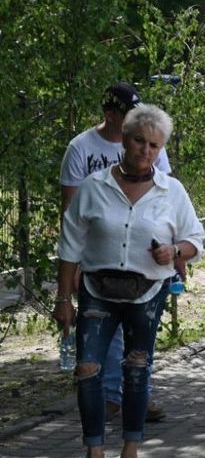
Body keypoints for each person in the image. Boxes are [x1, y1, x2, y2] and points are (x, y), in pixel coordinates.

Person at [55, 105, 204, 458]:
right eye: (139, 140)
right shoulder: (94, 186)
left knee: (136, 372)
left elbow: (195, 239)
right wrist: (62, 300)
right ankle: (93, 455)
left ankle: (131, 452)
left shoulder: (172, 192)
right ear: (124, 139)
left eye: (154, 145)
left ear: (161, 149)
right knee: (87, 370)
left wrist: (175, 252)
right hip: (96, 291)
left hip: (145, 293)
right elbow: (70, 244)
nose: (145, 150)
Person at [59, 82, 172, 425]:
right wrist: (75, 265)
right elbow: (72, 213)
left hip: (143, 263)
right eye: (129, 117)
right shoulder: (81, 148)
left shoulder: (152, 146)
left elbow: (164, 198)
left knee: (139, 336)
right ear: (111, 117)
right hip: (99, 259)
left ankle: (139, 394)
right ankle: (109, 396)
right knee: (106, 333)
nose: (144, 142)